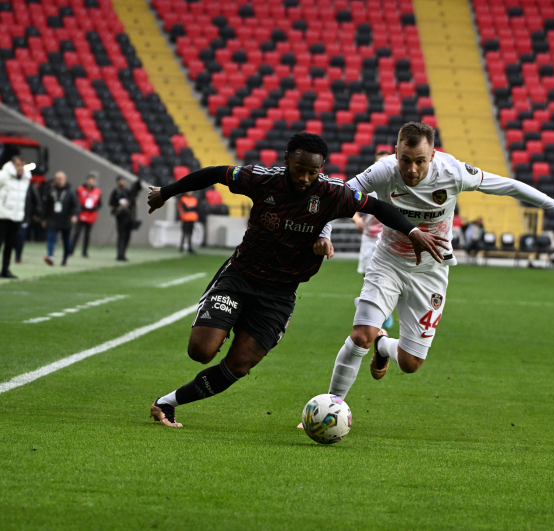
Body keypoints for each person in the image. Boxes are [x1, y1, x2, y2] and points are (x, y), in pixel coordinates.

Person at [145, 133, 446, 428]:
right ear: (287, 159)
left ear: (322, 168)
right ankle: (222, 323)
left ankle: (167, 403)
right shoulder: (262, 180)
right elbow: (215, 173)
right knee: (201, 351)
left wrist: (412, 232)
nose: (304, 177)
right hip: (240, 278)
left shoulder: (332, 193)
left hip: (279, 295)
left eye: (313, 172)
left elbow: (378, 207)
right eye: (299, 169)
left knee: (238, 366)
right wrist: (166, 192)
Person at [317, 121, 554, 403]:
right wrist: (324, 234)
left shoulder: (453, 172)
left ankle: (384, 345)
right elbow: (337, 199)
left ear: (432, 156)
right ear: (395, 152)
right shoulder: (384, 169)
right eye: (405, 160)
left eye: (420, 161)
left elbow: (505, 185)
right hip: (389, 262)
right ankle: (331, 406)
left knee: (411, 363)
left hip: (431, 270)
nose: (411, 169)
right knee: (361, 335)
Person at [351, 149, 394, 328]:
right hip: (369, 238)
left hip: (388, 239)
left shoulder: (397, 186)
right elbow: (349, 202)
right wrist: (357, 219)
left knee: (386, 277)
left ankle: (385, 312)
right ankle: (374, 308)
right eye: (378, 163)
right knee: (366, 274)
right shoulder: (368, 188)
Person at [0, 156, 31, 278]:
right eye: (18, 165)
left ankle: (5, 269)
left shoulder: (25, 179)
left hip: (16, 216)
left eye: (22, 165)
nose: (20, 168)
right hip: (2, 215)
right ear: (12, 165)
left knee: (10, 245)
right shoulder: (4, 175)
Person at [42, 171, 78, 267]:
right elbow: (46, 206)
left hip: (65, 220)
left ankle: (64, 259)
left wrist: (74, 215)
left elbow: (76, 206)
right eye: (57, 178)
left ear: (65, 179)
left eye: (61, 178)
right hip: (52, 219)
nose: (59, 181)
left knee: (66, 240)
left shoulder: (70, 192)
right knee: (51, 238)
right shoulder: (50, 191)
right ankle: (50, 257)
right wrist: (43, 218)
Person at [109, 176, 141, 261]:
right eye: (120, 180)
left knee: (127, 235)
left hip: (129, 216)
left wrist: (132, 202)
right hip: (120, 217)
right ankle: (120, 254)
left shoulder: (128, 191)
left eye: (123, 180)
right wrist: (120, 206)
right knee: (121, 235)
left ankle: (123, 254)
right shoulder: (116, 192)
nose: (122, 182)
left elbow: (133, 199)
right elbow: (111, 202)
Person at [71, 172, 102, 258]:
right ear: (87, 180)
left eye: (93, 181)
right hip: (81, 214)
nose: (91, 182)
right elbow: (75, 201)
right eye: (90, 180)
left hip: (91, 216)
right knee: (76, 233)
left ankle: (84, 252)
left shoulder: (97, 191)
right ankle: (71, 251)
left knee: (87, 235)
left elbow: (100, 204)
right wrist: (82, 207)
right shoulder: (80, 189)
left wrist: (94, 208)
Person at [14, 179, 43, 264]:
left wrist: (36, 213)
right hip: (9, 216)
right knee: (11, 238)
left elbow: (36, 200)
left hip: (24, 217)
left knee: (20, 237)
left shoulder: (28, 185)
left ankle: (18, 256)